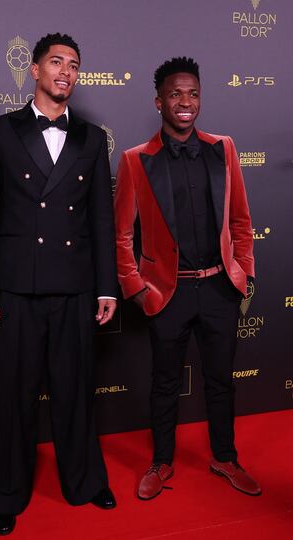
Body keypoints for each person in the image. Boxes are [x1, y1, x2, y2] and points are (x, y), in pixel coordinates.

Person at [0, 33, 117, 535]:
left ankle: (84, 480)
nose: (66, 72)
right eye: (56, 62)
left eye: (74, 65)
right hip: (15, 288)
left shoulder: (93, 139)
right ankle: (6, 494)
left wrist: (106, 287)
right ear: (34, 69)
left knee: (77, 392)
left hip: (76, 288)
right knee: (12, 395)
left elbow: (101, 220)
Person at [114, 57, 261, 500]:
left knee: (221, 379)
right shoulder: (135, 161)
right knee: (164, 381)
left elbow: (240, 220)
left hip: (219, 287)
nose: (185, 102)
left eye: (193, 94)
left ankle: (225, 456)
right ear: (159, 100)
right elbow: (121, 233)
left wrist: (244, 271)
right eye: (176, 94)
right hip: (167, 291)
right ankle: (161, 462)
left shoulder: (225, 148)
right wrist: (136, 289)